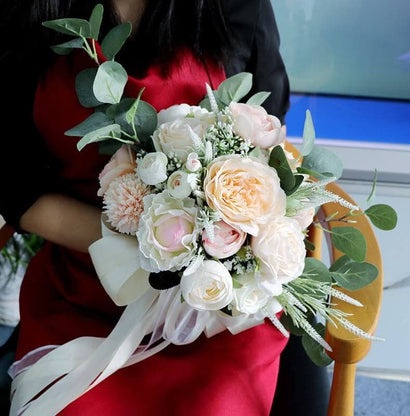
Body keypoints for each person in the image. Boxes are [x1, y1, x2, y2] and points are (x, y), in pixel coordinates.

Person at [0, 0, 307, 414]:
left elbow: (268, 137)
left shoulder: (234, 7)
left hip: (211, 304)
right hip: (85, 285)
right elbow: (18, 189)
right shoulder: (24, 12)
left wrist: (210, 245)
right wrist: (152, 241)